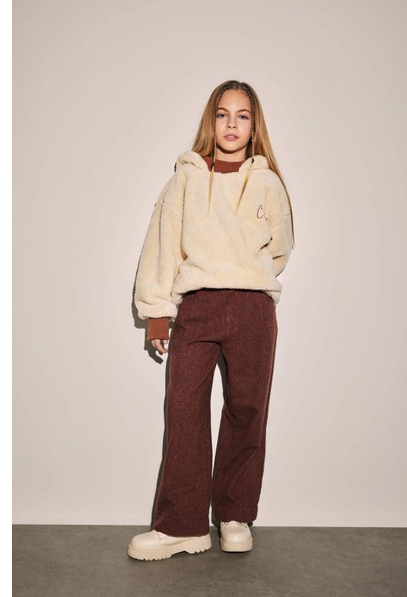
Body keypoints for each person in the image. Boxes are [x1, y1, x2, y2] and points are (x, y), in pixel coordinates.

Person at [128, 80, 295, 561]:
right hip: (197, 306)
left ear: (254, 126)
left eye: (242, 116)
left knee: (247, 410)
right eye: (223, 115)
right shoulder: (185, 179)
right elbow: (162, 243)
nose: (231, 125)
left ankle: (235, 515)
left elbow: (281, 248)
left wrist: (247, 272)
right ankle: (182, 525)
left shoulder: (268, 183)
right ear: (211, 121)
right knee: (184, 410)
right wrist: (157, 312)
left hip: (253, 308)